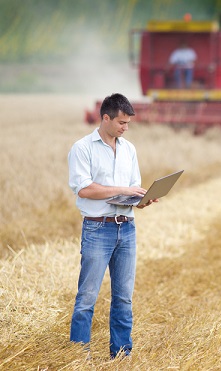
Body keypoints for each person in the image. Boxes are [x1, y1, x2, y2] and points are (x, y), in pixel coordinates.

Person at [68, 93, 158, 359]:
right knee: (87, 298)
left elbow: (130, 192)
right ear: (105, 117)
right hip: (98, 229)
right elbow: (84, 189)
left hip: (127, 228)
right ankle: (77, 356)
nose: (125, 128)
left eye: (128, 123)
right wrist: (123, 189)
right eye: (121, 122)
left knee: (123, 298)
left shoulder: (129, 149)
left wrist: (142, 200)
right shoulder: (82, 148)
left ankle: (121, 354)